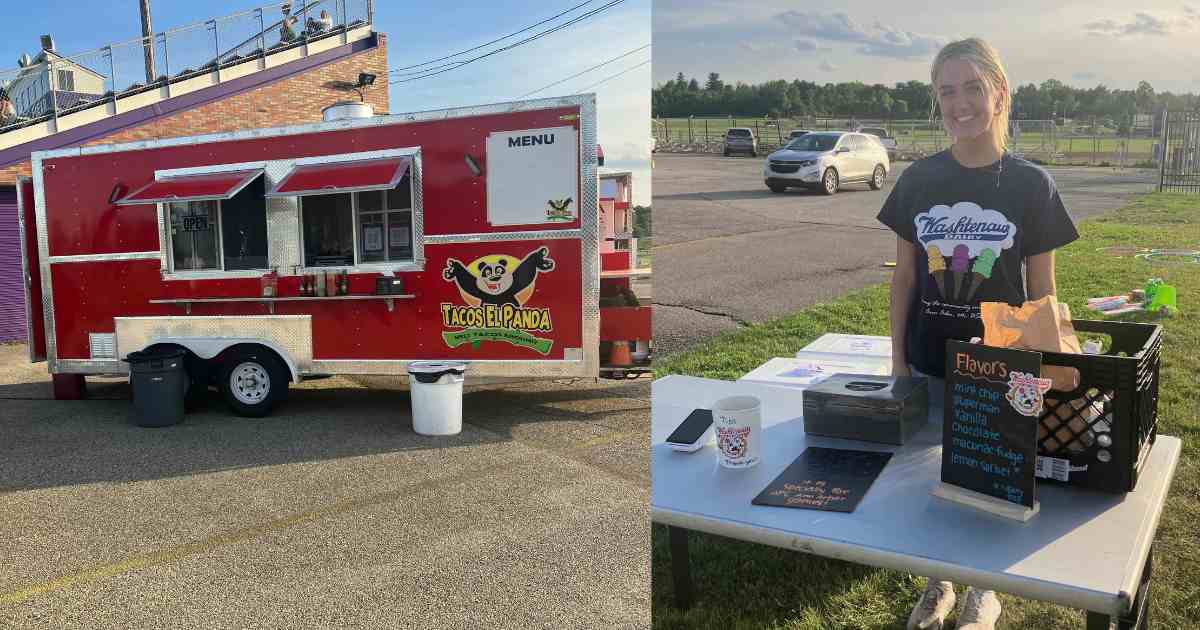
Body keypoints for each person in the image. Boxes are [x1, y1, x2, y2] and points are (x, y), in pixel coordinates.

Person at [876, 37, 1079, 630]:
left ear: (1000, 94)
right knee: (932, 479)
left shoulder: (1031, 186)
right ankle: (940, 582)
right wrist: (898, 360)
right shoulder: (918, 180)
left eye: (971, 87)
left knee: (992, 478)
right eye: (946, 90)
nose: (958, 102)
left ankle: (982, 592)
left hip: (1002, 369)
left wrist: (1050, 363)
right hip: (931, 362)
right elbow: (905, 279)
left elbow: (1043, 292)